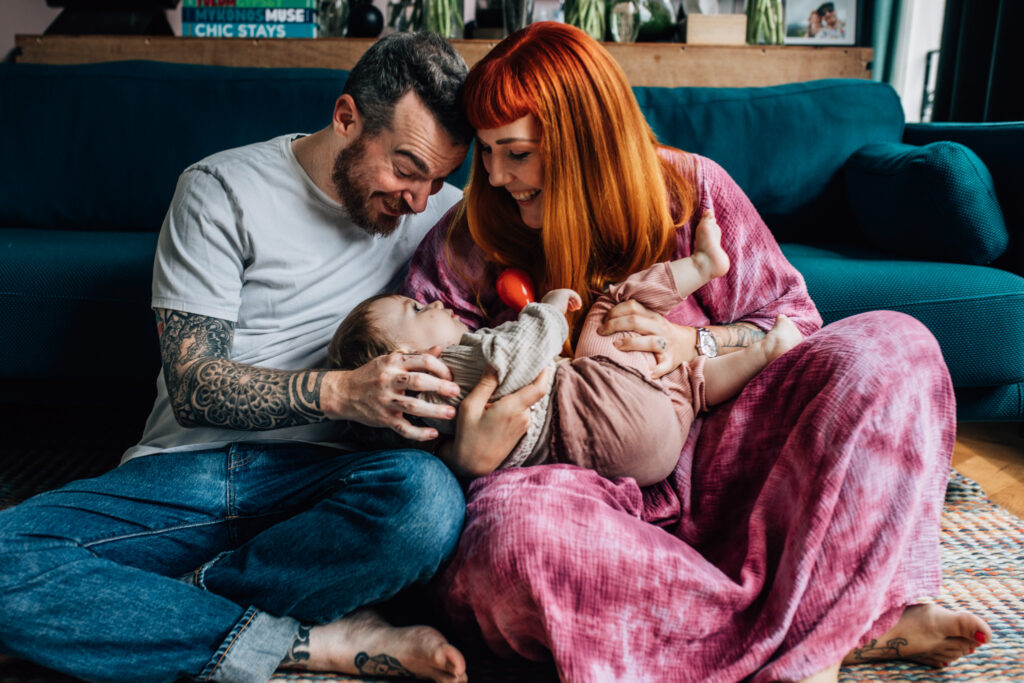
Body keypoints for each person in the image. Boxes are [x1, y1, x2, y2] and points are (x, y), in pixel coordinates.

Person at [403, 22, 993, 683]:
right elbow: (412, 385)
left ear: (582, 141)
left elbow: (795, 323)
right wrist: (462, 457)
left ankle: (737, 634)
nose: (496, 175)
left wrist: (698, 340)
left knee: (897, 348)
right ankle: (832, 628)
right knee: (507, 548)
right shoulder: (470, 239)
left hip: (733, 464)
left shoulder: (689, 189)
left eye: (514, 152)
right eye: (485, 153)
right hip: (582, 495)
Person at [0, 33, 547, 683]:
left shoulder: (447, 217)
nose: (419, 201)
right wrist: (342, 392)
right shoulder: (220, 189)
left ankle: (148, 610)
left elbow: (579, 220)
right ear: (347, 119)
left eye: (439, 178)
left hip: (336, 491)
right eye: (405, 168)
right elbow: (195, 385)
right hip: (190, 472)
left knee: (426, 501)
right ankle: (312, 643)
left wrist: (692, 337)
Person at [329, 210, 803, 484]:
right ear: (404, 361)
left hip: (640, 458)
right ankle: (701, 266)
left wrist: (689, 338)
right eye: (415, 312)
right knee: (609, 306)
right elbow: (517, 352)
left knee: (690, 382)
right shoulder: (448, 366)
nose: (430, 303)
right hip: (608, 415)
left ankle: (764, 351)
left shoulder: (423, 421)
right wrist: (550, 310)